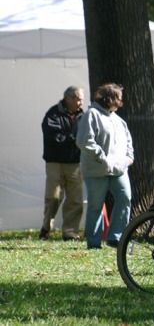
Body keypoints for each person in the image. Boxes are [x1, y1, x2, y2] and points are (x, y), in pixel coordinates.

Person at [76, 83, 133, 250]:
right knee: (96, 205)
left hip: (119, 169)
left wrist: (129, 158)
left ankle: (116, 236)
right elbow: (84, 141)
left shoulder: (119, 120)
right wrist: (102, 158)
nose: (121, 102)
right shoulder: (91, 115)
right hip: (96, 170)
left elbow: (129, 143)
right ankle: (93, 242)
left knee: (125, 198)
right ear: (110, 98)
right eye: (119, 98)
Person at [39, 86, 85, 241]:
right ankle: (46, 227)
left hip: (75, 163)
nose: (81, 102)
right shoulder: (53, 114)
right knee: (53, 197)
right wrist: (74, 139)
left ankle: (70, 232)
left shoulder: (82, 116)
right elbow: (54, 136)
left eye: (82, 99)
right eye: (78, 98)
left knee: (76, 199)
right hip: (55, 162)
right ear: (68, 98)